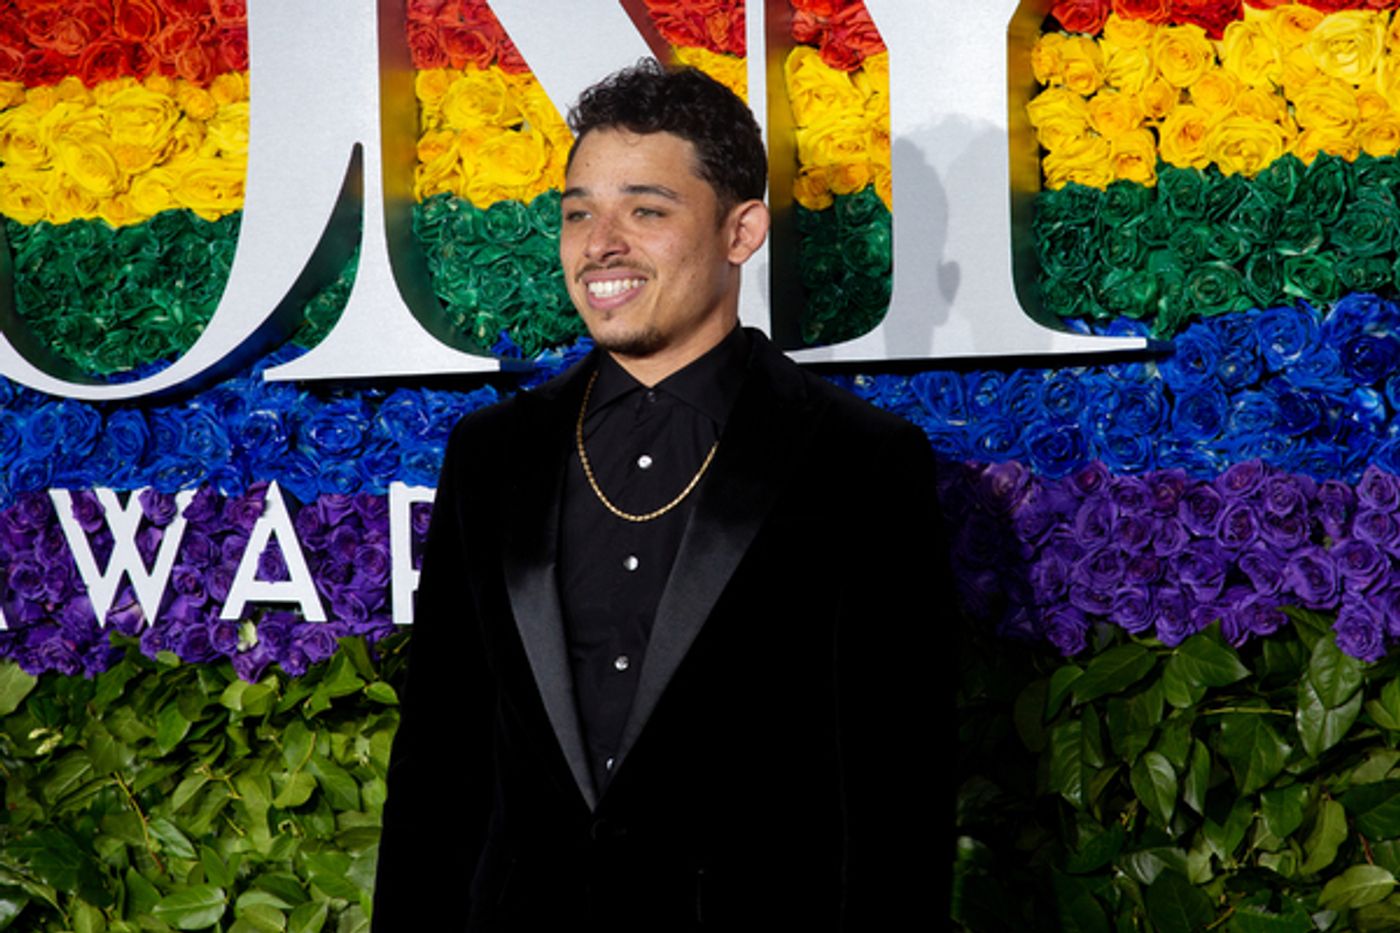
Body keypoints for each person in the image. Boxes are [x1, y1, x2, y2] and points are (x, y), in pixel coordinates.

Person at [372, 60, 943, 931]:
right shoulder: (492, 456)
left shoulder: (858, 462)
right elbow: (439, 766)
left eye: (646, 210)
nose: (600, 243)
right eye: (578, 213)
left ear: (740, 230)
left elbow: (897, 793)